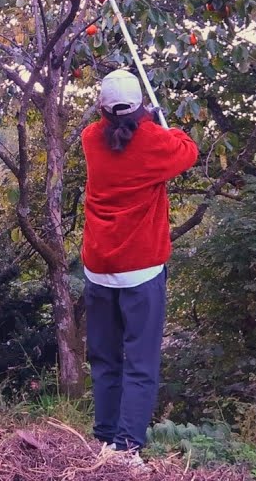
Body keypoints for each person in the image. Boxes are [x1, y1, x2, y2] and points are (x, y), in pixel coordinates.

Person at [81, 69, 198, 466]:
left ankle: (104, 437)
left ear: (101, 108)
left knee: (105, 358)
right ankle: (127, 447)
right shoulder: (153, 142)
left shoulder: (89, 140)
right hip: (142, 271)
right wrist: (160, 120)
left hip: (98, 267)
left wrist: (147, 119)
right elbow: (189, 149)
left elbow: (115, 133)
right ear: (140, 107)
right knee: (141, 363)